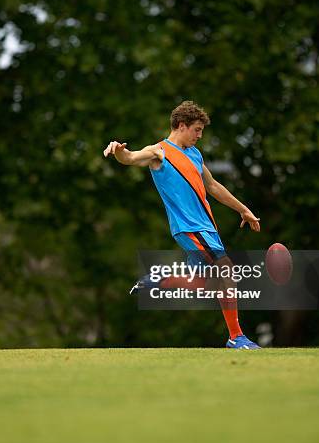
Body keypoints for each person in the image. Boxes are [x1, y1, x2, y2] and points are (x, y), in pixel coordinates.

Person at [103, 101, 261, 349]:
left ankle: (159, 280)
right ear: (181, 125)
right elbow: (131, 157)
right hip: (189, 228)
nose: (200, 136)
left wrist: (243, 209)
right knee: (226, 270)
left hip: (208, 229)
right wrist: (118, 151)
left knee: (205, 284)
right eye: (197, 130)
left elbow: (213, 187)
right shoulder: (159, 152)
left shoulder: (195, 154)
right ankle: (236, 337)